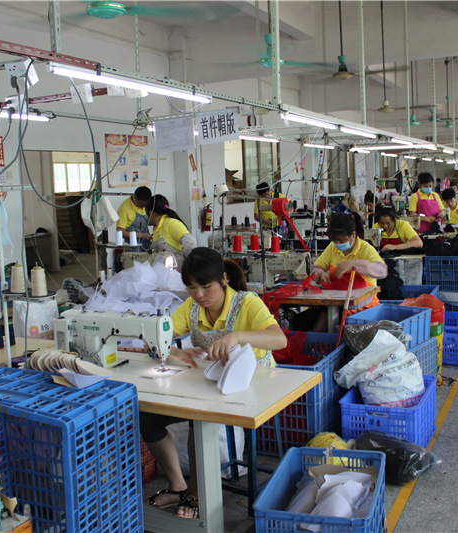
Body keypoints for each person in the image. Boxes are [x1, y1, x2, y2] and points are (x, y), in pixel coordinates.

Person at [142, 248, 286, 519]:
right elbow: (158, 337)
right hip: (213, 382)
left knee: (198, 417)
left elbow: (280, 339)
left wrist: (238, 337)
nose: (199, 294)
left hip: (253, 383)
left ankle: (197, 493)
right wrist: (170, 351)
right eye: (191, 288)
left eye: (206, 286)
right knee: (147, 418)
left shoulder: (247, 303)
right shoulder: (192, 307)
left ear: (223, 279)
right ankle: (178, 486)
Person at [291, 212, 387, 332]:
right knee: (300, 321)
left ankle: (318, 342)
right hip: (336, 305)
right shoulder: (333, 248)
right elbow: (316, 267)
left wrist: (354, 264)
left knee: (326, 318)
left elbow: (382, 271)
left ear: (353, 235)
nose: (338, 244)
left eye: (342, 240)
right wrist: (319, 274)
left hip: (363, 309)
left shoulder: (365, 249)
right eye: (335, 240)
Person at [146, 194, 196, 266]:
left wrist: (190, 266)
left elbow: (190, 243)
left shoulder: (171, 223)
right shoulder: (158, 228)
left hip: (178, 270)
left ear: (151, 212)